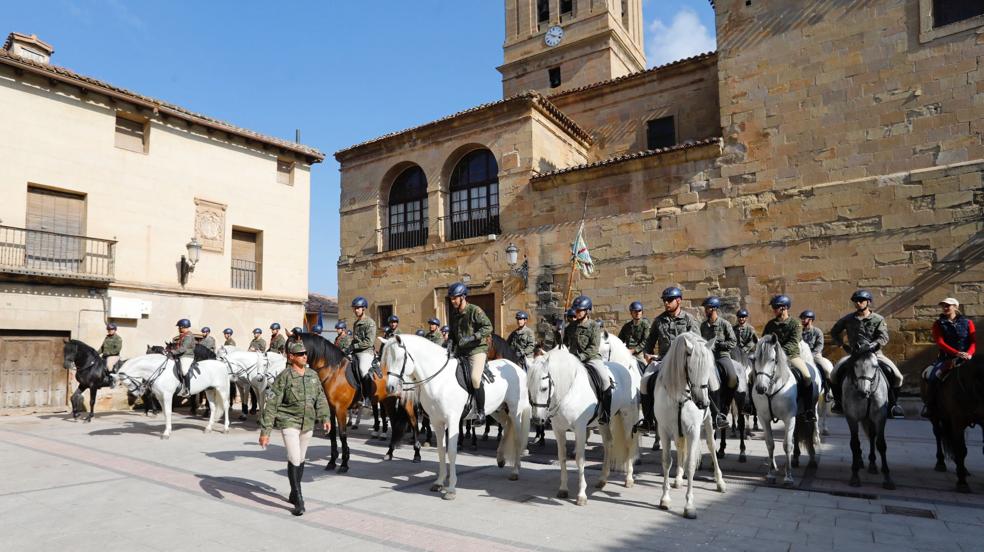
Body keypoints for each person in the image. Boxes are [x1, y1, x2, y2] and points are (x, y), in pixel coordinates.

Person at [258, 341, 330, 516]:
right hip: (289, 420)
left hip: (308, 422)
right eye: (300, 354)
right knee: (294, 457)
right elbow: (272, 404)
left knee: (302, 458)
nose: (304, 356)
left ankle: (292, 491)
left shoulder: (312, 375)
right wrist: (265, 432)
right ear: (291, 357)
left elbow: (320, 397)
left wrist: (325, 417)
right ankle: (298, 498)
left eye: (305, 353)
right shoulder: (284, 376)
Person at [829, 290, 905, 418]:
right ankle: (838, 403)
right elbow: (834, 332)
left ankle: (893, 405)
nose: (858, 303)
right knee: (834, 374)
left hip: (875, 354)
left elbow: (883, 337)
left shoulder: (878, 319)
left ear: (868, 302)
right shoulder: (848, 319)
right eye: (856, 301)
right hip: (855, 354)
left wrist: (874, 345)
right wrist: (843, 345)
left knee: (898, 376)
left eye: (861, 301)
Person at [763, 295, 816, 422]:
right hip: (773, 358)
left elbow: (793, 342)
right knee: (754, 376)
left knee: (807, 376)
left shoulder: (795, 324)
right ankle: (753, 406)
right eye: (774, 307)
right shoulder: (771, 324)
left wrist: (778, 352)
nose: (774, 310)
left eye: (776, 307)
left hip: (791, 356)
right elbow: (765, 339)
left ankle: (808, 409)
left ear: (784, 307)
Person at [922, 297, 977, 418]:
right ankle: (930, 406)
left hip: (967, 358)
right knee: (933, 376)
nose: (945, 308)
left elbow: (973, 342)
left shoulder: (968, 323)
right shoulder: (938, 324)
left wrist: (969, 353)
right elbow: (940, 342)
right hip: (947, 359)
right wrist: (957, 353)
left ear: (955, 307)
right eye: (944, 306)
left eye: (948, 305)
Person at [447, 282, 493, 425]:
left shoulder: (475, 310)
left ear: (463, 297)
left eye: (455, 298)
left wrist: (473, 337)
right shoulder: (454, 314)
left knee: (475, 379)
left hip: (476, 350)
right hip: (460, 352)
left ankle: (481, 412)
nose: (453, 301)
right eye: (451, 298)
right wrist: (449, 344)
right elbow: (453, 334)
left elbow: (488, 327)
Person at [564, 295, 613, 424]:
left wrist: (581, 357)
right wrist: (558, 333)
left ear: (587, 311)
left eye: (580, 310)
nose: (577, 312)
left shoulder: (593, 326)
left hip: (591, 359)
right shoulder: (570, 327)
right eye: (576, 310)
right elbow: (563, 345)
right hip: (573, 360)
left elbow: (594, 347)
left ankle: (606, 413)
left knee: (605, 381)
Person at [699, 296, 738, 429]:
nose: (706, 310)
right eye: (705, 308)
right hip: (707, 358)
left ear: (714, 308)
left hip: (722, 356)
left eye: (708, 308)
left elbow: (733, 342)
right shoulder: (703, 326)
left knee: (732, 377)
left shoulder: (724, 324)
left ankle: (726, 408)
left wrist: (719, 345)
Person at [800, 310, 833, 393]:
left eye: (804, 318)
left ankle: (828, 389)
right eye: (802, 318)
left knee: (826, 370)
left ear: (811, 320)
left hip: (815, 354)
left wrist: (811, 354)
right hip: (801, 355)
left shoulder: (817, 331)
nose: (802, 320)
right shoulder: (799, 332)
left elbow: (820, 345)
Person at [350, 297, 377, 399]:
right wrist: (348, 349)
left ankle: (368, 397)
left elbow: (369, 342)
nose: (356, 310)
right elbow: (355, 339)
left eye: (358, 308)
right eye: (355, 308)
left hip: (366, 352)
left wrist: (355, 346)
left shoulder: (370, 323)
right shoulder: (356, 323)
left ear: (363, 309)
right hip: (355, 351)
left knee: (362, 369)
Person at [618, 301, 650, 368]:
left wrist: (634, 350)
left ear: (642, 312)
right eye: (635, 311)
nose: (637, 313)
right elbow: (619, 340)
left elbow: (646, 341)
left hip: (640, 354)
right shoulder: (626, 326)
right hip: (627, 353)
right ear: (631, 313)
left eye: (639, 311)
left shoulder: (645, 325)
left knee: (646, 370)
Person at [172, 318, 197, 397]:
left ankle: (187, 390)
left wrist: (173, 352)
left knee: (184, 371)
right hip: (181, 355)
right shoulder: (183, 335)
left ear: (183, 326)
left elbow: (183, 348)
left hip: (187, 356)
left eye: (179, 327)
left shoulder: (188, 336)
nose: (178, 328)